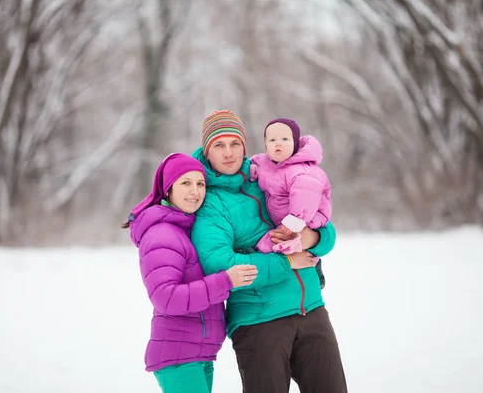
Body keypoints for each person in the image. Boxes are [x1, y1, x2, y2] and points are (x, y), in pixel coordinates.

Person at [191, 110, 347, 393]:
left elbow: (326, 230)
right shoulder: (209, 203)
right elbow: (220, 263)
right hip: (259, 322)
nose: (229, 153)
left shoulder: (271, 174)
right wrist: (286, 262)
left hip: (311, 310)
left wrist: (311, 238)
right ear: (207, 151)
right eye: (219, 145)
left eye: (235, 143)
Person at [124, 152, 259, 393]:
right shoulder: (162, 235)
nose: (195, 191)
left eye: (200, 184)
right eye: (185, 183)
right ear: (168, 189)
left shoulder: (184, 229)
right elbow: (166, 297)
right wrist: (225, 281)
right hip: (179, 357)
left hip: (196, 353)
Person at [250, 118, 332, 287]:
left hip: (306, 217)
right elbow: (256, 162)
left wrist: (295, 220)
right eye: (272, 140)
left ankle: (315, 266)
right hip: (285, 219)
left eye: (284, 139)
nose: (277, 144)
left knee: (278, 243)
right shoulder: (267, 163)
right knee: (279, 242)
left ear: (295, 143)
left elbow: (306, 197)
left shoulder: (302, 169)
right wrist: (252, 170)